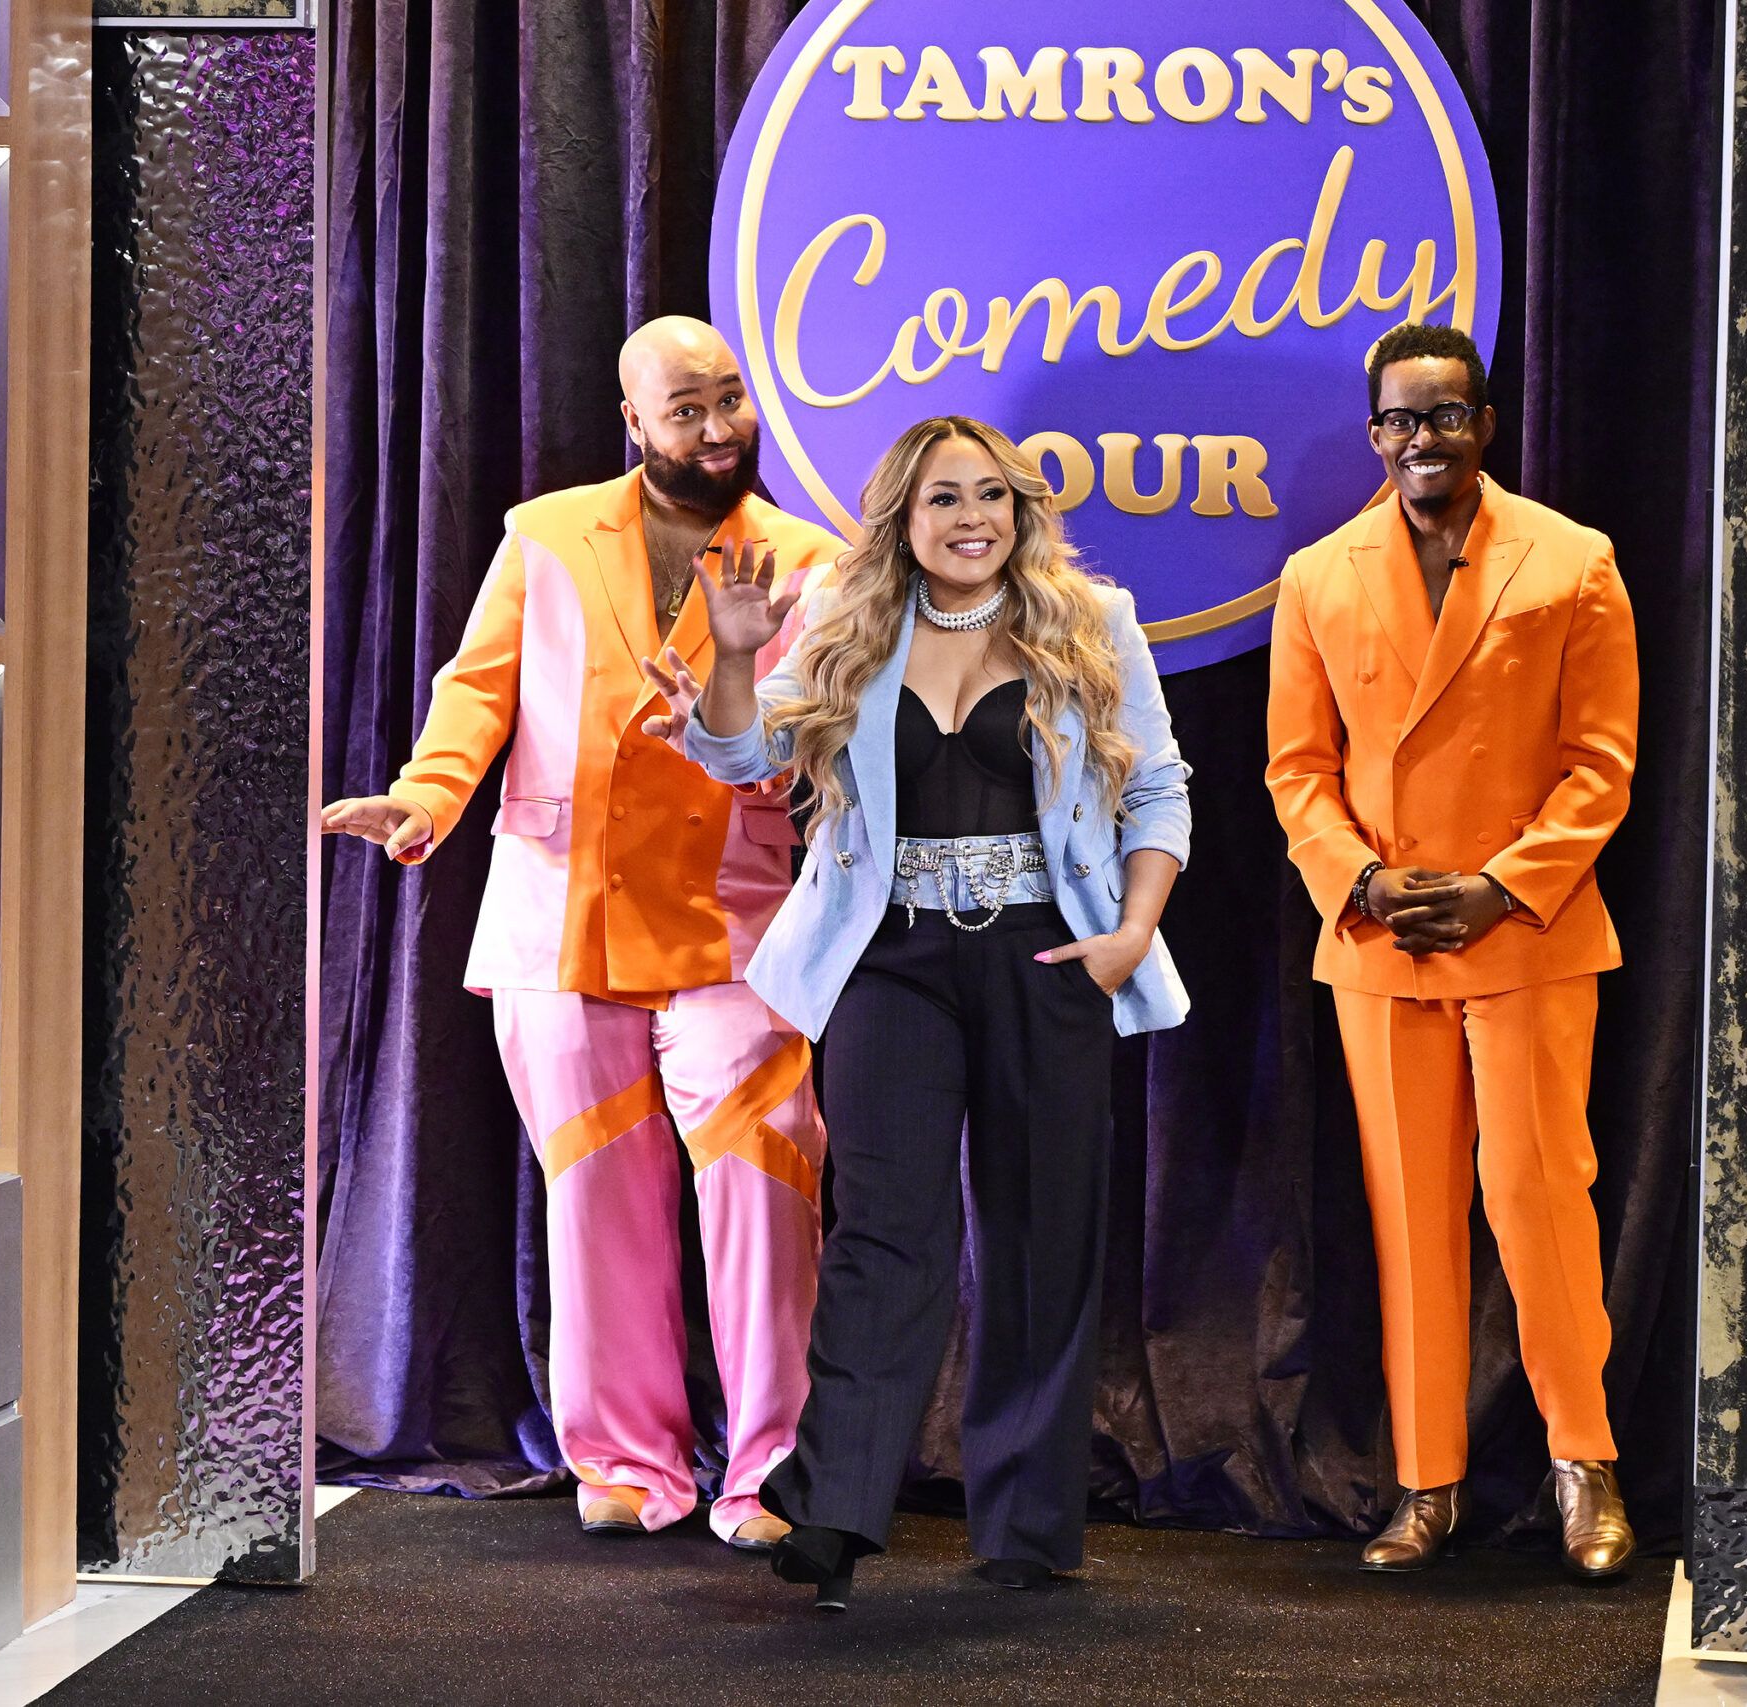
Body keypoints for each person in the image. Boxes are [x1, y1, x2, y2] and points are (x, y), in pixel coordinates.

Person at [320, 317, 842, 1550]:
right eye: (685, 410)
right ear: (633, 423)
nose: (716, 429)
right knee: (596, 1192)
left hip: (735, 921)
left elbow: (803, 729)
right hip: (562, 918)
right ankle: (625, 1462)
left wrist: (736, 706)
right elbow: (476, 689)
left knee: (766, 1182)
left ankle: (771, 1471)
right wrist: (427, 797)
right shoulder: (545, 535)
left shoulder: (812, 561)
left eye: (729, 400)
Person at [675, 415, 1190, 1611]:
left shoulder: (1092, 622)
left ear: (1020, 510)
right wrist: (737, 657)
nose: (971, 520)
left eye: (990, 496)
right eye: (944, 499)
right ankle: (836, 1509)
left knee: (1041, 1237)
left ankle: (1026, 1526)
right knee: (882, 1232)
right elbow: (738, 755)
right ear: (902, 520)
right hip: (889, 959)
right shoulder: (848, 622)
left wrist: (1129, 934)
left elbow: (1158, 787)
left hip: (1047, 955)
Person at [1264, 322, 1639, 1577]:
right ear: (1373, 433)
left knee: (1538, 1203)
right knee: (1410, 1217)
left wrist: (1501, 888)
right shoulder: (1317, 575)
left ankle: (1584, 1465)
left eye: (1444, 415)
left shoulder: (1572, 560)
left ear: (1483, 423)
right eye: (1398, 419)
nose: (1420, 438)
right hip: (1384, 943)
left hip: (1524, 932)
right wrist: (1362, 880)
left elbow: (1599, 766)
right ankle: (1425, 1485)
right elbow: (1296, 770)